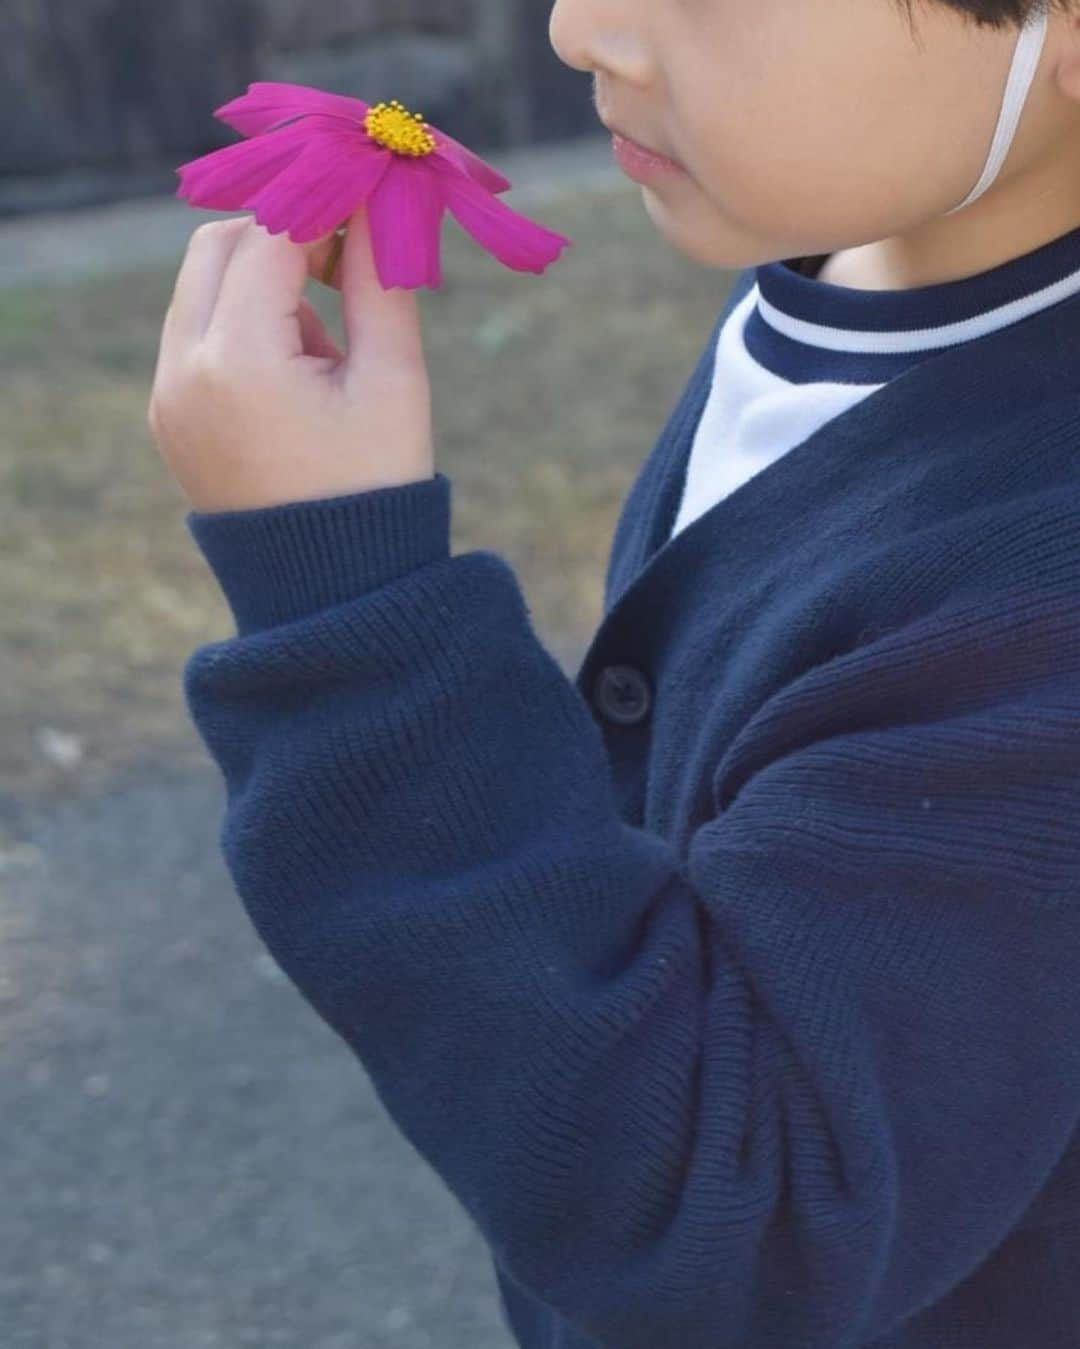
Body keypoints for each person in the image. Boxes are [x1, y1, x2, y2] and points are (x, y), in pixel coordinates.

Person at [148, 0, 1080, 1344]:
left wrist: (346, 608)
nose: (579, 30)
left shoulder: (1039, 595)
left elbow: (737, 1214)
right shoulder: (851, 272)